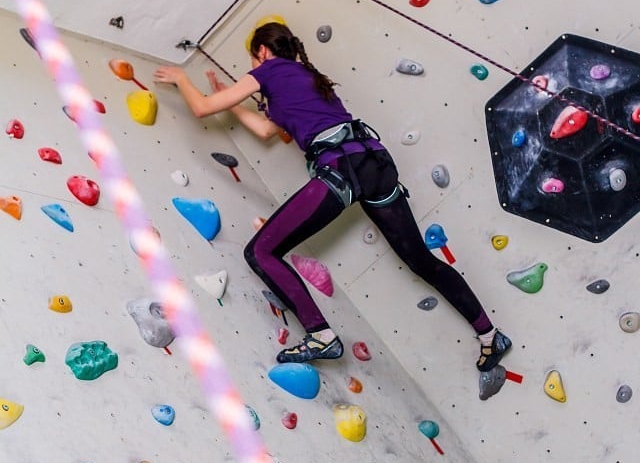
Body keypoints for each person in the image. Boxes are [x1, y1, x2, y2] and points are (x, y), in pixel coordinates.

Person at [154, 21, 511, 371]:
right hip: (375, 165)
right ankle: (490, 335)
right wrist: (232, 99)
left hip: (342, 169)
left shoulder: (270, 70)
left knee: (260, 251)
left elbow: (201, 108)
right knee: (421, 261)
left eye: (252, 61)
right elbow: (265, 129)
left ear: (261, 52)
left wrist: (184, 79)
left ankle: (320, 335)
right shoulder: (310, 78)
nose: (252, 70)